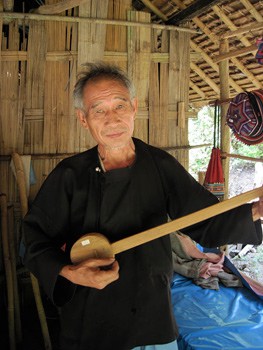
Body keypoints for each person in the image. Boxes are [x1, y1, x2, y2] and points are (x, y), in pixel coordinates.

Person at [23, 62, 263, 350]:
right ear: (83, 118)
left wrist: (257, 211)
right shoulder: (69, 175)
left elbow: (205, 220)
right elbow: (33, 239)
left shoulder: (160, 165)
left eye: (120, 106)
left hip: (152, 315)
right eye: (98, 110)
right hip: (91, 319)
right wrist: (70, 273)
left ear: (134, 107)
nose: (112, 119)